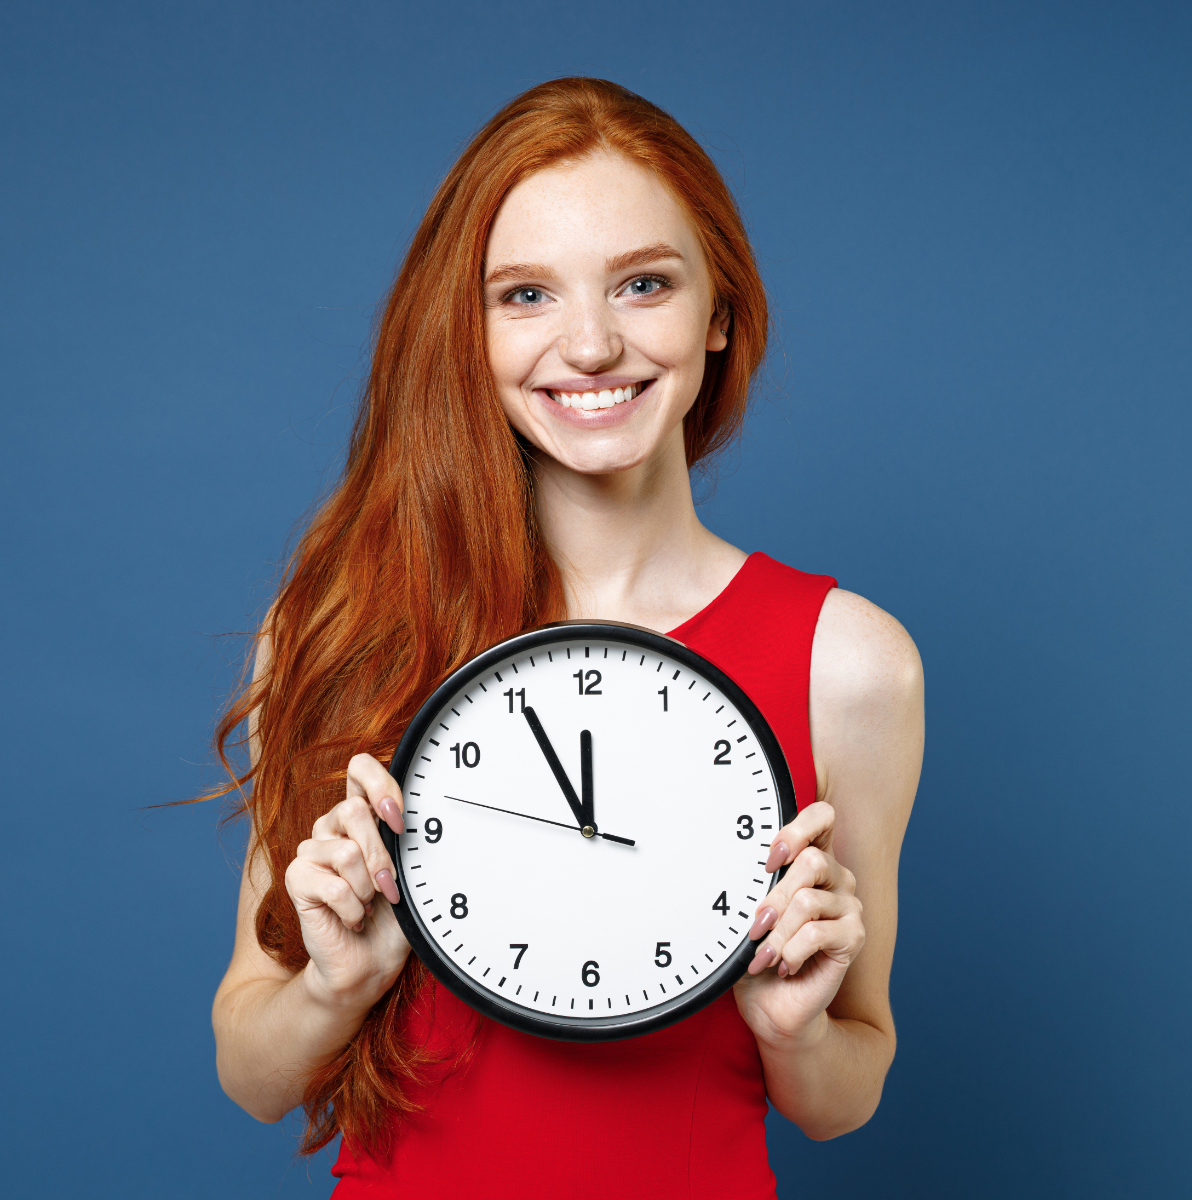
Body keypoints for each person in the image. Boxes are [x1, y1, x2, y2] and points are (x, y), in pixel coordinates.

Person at [211, 77, 923, 1198]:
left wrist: (795, 1032)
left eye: (644, 283)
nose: (589, 345)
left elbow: (849, 1088)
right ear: (471, 329)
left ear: (718, 315)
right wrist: (333, 987)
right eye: (526, 295)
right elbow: (251, 1073)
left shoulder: (852, 663)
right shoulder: (346, 624)